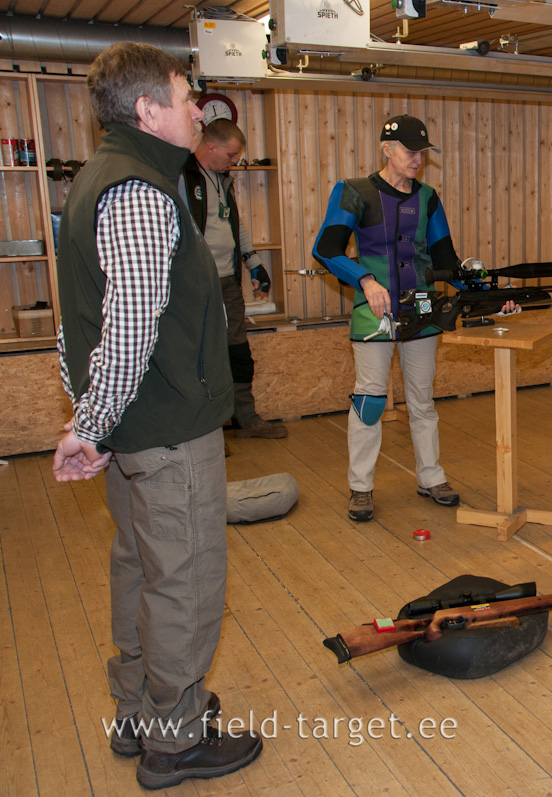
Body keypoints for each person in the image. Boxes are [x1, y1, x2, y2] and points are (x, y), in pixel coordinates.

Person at [52, 42, 262, 788]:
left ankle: (139, 709)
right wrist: (91, 421)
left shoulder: (100, 180)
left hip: (133, 430)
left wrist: (91, 417)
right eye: (183, 95)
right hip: (166, 429)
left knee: (140, 568)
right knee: (186, 579)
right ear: (147, 111)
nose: (196, 108)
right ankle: (172, 741)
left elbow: (74, 319)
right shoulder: (140, 191)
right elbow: (130, 322)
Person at [314, 114, 501, 521]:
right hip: (374, 309)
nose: (418, 159)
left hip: (420, 306)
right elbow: (325, 249)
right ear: (387, 149)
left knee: (423, 399)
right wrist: (364, 279)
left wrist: (490, 297)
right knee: (370, 400)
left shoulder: (429, 198)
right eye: (410, 151)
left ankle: (431, 477)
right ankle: (360, 487)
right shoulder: (353, 192)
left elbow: (446, 261)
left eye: (423, 152)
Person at [180, 118, 287, 439]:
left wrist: (254, 263)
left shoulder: (222, 180)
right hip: (195, 283)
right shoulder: (182, 178)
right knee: (199, 355)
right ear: (210, 146)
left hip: (228, 280)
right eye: (231, 155)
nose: (235, 161)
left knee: (237, 349)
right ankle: (205, 430)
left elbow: (234, 224)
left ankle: (245, 419)